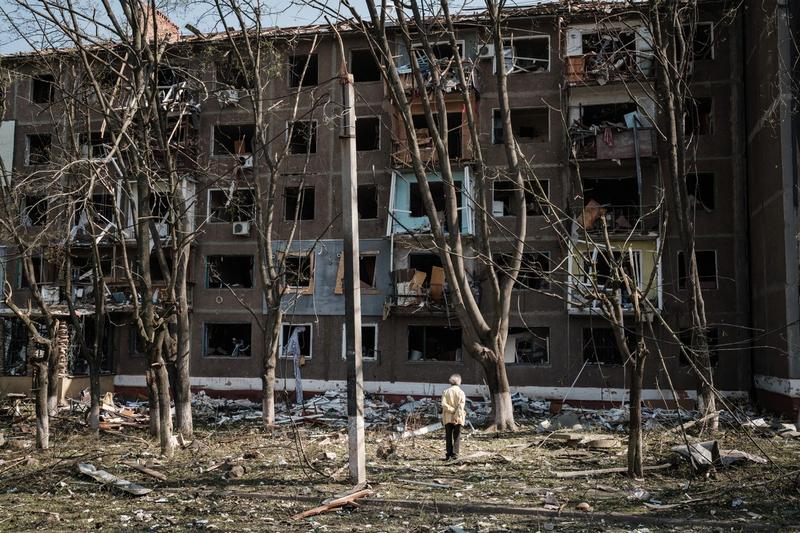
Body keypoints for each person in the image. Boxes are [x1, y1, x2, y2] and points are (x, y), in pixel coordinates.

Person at [441, 373, 466, 460]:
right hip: (458, 418)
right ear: (459, 382)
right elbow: (461, 406)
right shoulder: (461, 392)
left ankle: (448, 454)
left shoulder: (446, 391)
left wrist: (451, 411)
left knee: (448, 436)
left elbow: (444, 404)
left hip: (447, 417)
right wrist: (456, 414)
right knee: (457, 437)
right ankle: (455, 454)